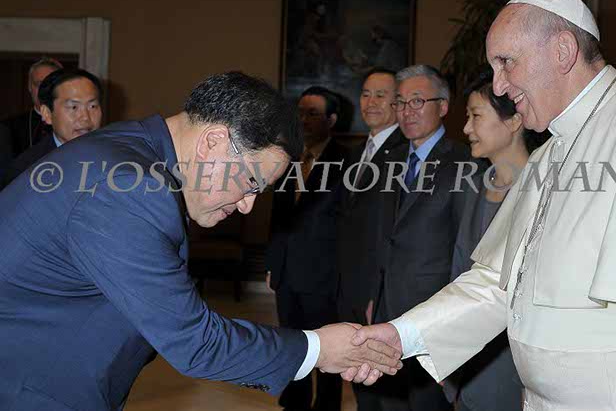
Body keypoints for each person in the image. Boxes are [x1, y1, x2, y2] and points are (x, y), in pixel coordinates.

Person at [349, 0, 616, 410]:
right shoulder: (548, 154)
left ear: (562, 51)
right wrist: (401, 335)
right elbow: (496, 285)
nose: (499, 84)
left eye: (506, 62)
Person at [0, 71, 402, 411]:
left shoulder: (134, 147)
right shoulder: (128, 187)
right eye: (251, 183)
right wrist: (318, 348)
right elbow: (196, 342)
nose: (247, 205)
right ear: (213, 141)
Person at [367, 65, 473, 411]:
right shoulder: (390, 161)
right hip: (386, 310)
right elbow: (383, 234)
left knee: (428, 405)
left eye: (417, 101)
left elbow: (465, 250)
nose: (406, 112)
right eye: (400, 103)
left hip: (433, 313)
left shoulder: (465, 162)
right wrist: (374, 294)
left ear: (443, 106)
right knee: (390, 402)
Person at [443, 66, 548, 411]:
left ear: (514, 120)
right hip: (469, 360)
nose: (466, 128)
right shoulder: (475, 186)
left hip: (514, 368)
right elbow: (459, 272)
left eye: (475, 116)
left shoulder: (543, 191)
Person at [265, 86, 350, 411]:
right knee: (292, 345)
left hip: (324, 275)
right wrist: (273, 261)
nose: (303, 120)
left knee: (328, 348)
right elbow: (278, 216)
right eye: (299, 112)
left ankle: (326, 405)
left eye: (312, 113)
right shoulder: (288, 157)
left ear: (332, 119)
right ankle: (295, 401)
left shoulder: (348, 161)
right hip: (287, 272)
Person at [336, 68, 407, 411]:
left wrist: (374, 294)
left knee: (385, 388)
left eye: (381, 95)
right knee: (360, 380)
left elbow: (391, 233)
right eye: (366, 94)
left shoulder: (406, 153)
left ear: (398, 103)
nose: (371, 102)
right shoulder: (355, 155)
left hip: (377, 292)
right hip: (349, 287)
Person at [1, 68, 103, 189]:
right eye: (74, 107)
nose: (85, 117)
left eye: (93, 106)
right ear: (47, 114)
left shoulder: (115, 156)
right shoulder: (25, 170)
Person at [3, 57, 62, 156]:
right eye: (39, 84)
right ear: (29, 86)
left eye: (50, 84)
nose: (44, 89)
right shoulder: (9, 128)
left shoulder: (74, 124)